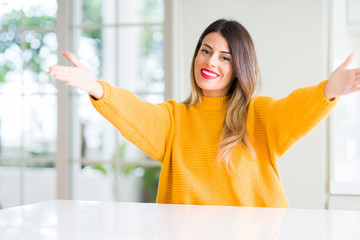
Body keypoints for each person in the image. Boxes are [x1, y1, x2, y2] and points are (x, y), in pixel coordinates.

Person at [48, 19, 360, 208]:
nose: (210, 62)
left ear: (240, 68)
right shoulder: (175, 119)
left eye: (225, 57)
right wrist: (97, 88)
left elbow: (296, 109)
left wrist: (328, 89)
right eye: (206, 51)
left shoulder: (259, 115)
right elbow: (136, 113)